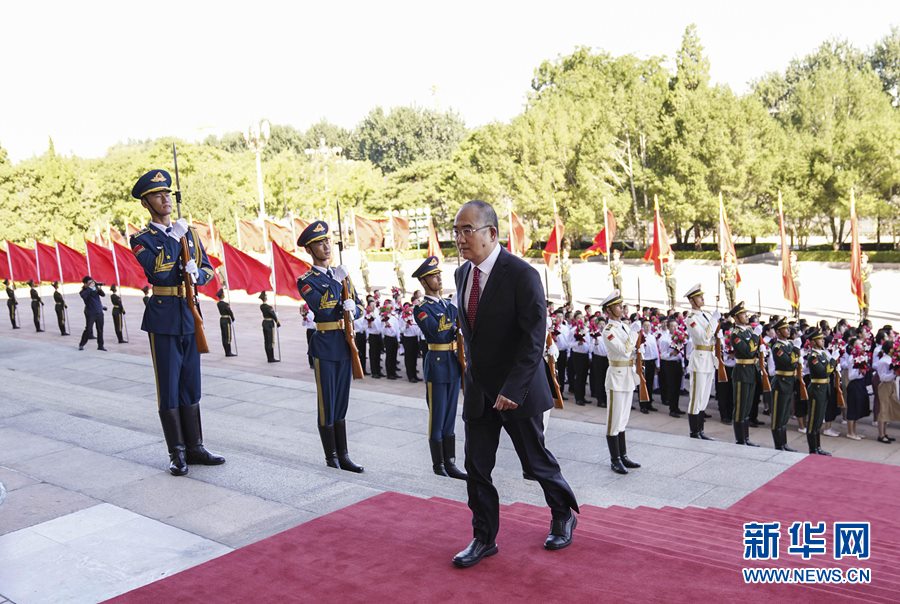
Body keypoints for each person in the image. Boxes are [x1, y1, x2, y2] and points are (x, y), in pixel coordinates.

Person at [451, 200, 578, 568]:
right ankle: (483, 538)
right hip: (478, 391)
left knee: (535, 462)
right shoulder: (462, 275)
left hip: (515, 391)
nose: (460, 238)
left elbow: (533, 338)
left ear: (491, 233)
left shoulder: (521, 275)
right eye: (456, 231)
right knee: (476, 467)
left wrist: (513, 387)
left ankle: (562, 514)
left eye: (466, 230)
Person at [129, 169, 225, 476]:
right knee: (169, 387)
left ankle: (195, 446)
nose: (165, 199)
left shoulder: (191, 233)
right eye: (158, 195)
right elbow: (157, 272)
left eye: (167, 194)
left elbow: (209, 270)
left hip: (188, 311)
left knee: (191, 384)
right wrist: (174, 238)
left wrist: (197, 274)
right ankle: (177, 452)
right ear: (146, 203)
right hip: (163, 315)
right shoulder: (143, 239)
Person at [297, 220, 365, 473]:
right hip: (324, 346)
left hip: (344, 343)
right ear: (309, 249)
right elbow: (321, 308)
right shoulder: (306, 280)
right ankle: (331, 456)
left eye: (327, 241)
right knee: (327, 403)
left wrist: (353, 309)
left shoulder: (342, 274)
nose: (326, 246)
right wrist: (337, 284)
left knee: (341, 403)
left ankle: (344, 454)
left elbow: (358, 306)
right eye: (319, 243)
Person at [411, 255, 466, 479]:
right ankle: (438, 463)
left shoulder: (446, 305)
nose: (438, 279)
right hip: (437, 364)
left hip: (452, 363)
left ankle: (451, 462)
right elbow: (438, 331)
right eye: (433, 276)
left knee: (451, 415)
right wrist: (453, 313)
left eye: (439, 275)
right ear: (424, 282)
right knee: (438, 415)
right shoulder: (422, 308)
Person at [601, 290, 643, 474]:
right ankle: (614, 459)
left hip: (627, 375)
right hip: (616, 377)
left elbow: (632, 351)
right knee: (614, 419)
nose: (622, 308)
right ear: (609, 310)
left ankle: (624, 456)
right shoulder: (608, 331)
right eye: (618, 306)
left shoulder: (624, 327)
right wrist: (634, 335)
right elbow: (623, 351)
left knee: (623, 419)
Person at [729, 301, 760, 446]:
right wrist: (755, 337)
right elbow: (747, 351)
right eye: (742, 314)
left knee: (747, 406)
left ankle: (746, 438)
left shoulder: (748, 331)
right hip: (741, 371)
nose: (746, 316)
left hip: (751, 371)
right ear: (735, 318)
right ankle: (740, 439)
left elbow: (754, 351)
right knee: (740, 407)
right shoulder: (735, 333)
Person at [768, 318, 799, 451]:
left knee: (785, 414)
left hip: (789, 382)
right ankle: (778, 444)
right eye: (785, 329)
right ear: (779, 332)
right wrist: (796, 351)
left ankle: (784, 444)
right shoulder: (777, 347)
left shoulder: (789, 345)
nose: (788, 331)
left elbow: (796, 362)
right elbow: (789, 362)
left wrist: (795, 352)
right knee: (778, 415)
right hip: (780, 383)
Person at [805, 329, 835, 455]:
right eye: (819, 339)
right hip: (817, 389)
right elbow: (823, 372)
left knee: (818, 420)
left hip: (823, 389)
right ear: (812, 342)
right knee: (813, 421)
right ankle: (813, 449)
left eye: (823, 338)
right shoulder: (813, 356)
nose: (823, 340)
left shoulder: (822, 354)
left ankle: (818, 447)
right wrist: (833, 361)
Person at [658, 318, 685, 418]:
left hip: (677, 363)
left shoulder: (678, 337)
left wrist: (682, 365)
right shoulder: (664, 339)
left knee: (677, 387)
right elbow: (662, 354)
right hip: (669, 364)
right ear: (668, 327)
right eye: (672, 326)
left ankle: (676, 407)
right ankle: (672, 409)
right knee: (672, 387)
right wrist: (671, 353)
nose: (674, 328)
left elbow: (681, 353)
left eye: (676, 326)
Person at [874, 340, 899, 443]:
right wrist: (895, 373)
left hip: (891, 385)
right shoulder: (883, 361)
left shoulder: (890, 359)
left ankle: (885, 433)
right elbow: (883, 377)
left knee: (888, 409)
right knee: (883, 409)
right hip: (884, 386)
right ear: (889, 349)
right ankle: (881, 435)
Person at [78, 276, 107, 351]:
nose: (92, 284)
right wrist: (89, 288)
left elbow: (103, 295)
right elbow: (84, 296)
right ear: (85, 284)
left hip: (99, 312)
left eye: (92, 282)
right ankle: (81, 344)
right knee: (88, 329)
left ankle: (100, 346)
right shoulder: (83, 291)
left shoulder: (95, 289)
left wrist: (97, 287)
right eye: (89, 283)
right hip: (91, 313)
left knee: (100, 330)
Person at [638, 319, 659, 413]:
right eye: (645, 326)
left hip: (651, 362)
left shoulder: (652, 337)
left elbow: (656, 351)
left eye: (649, 326)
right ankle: (643, 405)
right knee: (643, 384)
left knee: (650, 384)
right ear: (642, 327)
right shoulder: (640, 337)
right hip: (644, 362)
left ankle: (649, 403)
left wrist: (657, 364)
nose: (647, 327)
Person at [400, 303, 422, 383]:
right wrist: (406, 326)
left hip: (415, 338)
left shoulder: (414, 317)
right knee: (409, 358)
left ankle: (414, 375)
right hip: (408, 339)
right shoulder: (403, 318)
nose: (411, 311)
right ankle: (410, 376)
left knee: (414, 357)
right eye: (410, 309)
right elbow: (401, 330)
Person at [259, 291, 280, 363]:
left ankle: (269, 357)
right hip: (270, 324)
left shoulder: (261, 306)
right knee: (271, 341)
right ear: (265, 298)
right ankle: (271, 358)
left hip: (264, 322)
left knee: (266, 341)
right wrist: (277, 322)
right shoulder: (269, 307)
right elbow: (273, 315)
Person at [216, 289, 237, 357]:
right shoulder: (225, 304)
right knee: (228, 337)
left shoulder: (218, 304)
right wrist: (233, 318)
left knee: (224, 336)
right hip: (226, 320)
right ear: (222, 295)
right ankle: (228, 352)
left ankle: (226, 351)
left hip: (222, 319)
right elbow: (230, 312)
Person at [860, 253, 872, 321]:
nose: (862, 259)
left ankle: (866, 315)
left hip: (866, 285)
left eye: (863, 258)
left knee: (867, 301)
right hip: (859, 285)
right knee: (860, 301)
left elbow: (867, 275)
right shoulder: (857, 266)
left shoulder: (869, 266)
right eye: (861, 257)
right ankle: (861, 315)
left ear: (867, 259)